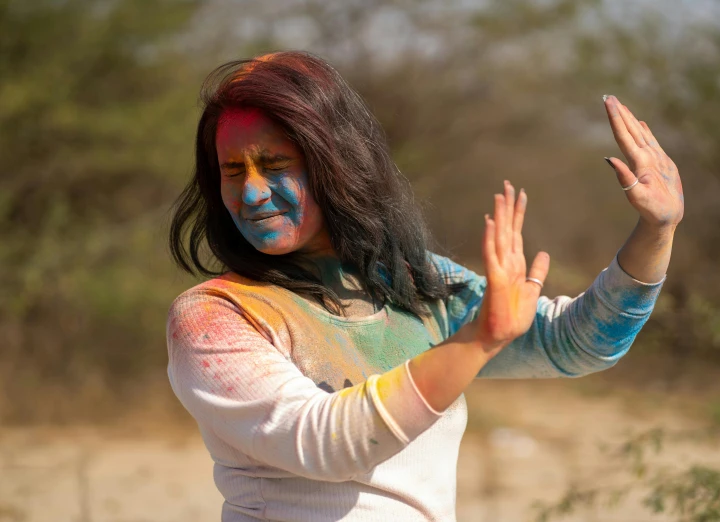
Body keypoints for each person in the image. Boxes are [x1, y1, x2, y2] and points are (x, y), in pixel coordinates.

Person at [166, 51, 683, 522]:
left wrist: (656, 231)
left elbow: (578, 343)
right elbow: (324, 443)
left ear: (337, 164)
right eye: (233, 171)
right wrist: (476, 341)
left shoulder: (409, 284)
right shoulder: (215, 316)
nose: (252, 193)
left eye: (275, 165)